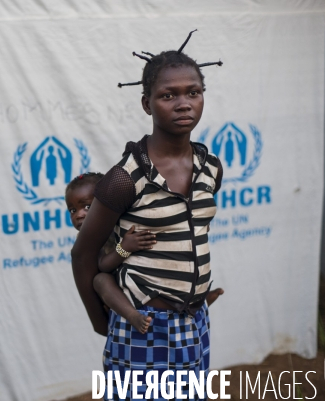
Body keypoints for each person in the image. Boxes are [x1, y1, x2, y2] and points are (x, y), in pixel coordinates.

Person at [71, 30, 225, 399]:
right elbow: (83, 254)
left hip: (194, 321)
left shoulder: (211, 167)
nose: (184, 103)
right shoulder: (125, 178)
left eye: (193, 92)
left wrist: (196, 293)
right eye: (168, 95)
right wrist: (102, 322)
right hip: (143, 325)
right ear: (146, 104)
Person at [66, 172, 156, 334]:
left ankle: (199, 300)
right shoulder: (86, 238)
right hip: (115, 289)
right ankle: (133, 316)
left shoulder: (123, 221)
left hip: (140, 278)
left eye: (87, 206)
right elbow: (103, 265)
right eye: (72, 210)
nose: (79, 215)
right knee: (100, 280)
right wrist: (124, 248)